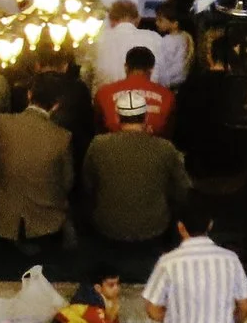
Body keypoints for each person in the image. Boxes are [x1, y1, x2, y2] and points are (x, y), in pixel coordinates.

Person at [79, 100, 191, 243]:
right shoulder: (165, 147)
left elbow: (88, 185)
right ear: (146, 117)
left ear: (118, 118)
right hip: (154, 227)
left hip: (108, 227)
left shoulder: (98, 144)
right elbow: (182, 189)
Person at [0, 73, 76, 250]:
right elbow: (67, 182)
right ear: (57, 105)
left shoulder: (0, 123)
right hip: (45, 225)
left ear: (29, 94)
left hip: (3, 223)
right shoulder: (63, 137)